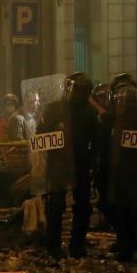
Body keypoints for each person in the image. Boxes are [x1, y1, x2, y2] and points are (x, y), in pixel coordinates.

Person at [99, 73, 137, 262]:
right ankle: (126, 249)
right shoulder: (110, 120)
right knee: (120, 212)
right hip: (116, 174)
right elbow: (102, 146)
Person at [40, 72, 99, 259]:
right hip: (58, 163)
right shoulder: (54, 109)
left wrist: (92, 161)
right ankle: (53, 247)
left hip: (80, 164)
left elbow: (96, 140)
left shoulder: (90, 112)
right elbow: (40, 135)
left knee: (82, 207)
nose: (78, 94)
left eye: (83, 91)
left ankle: (77, 246)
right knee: (55, 205)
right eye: (76, 89)